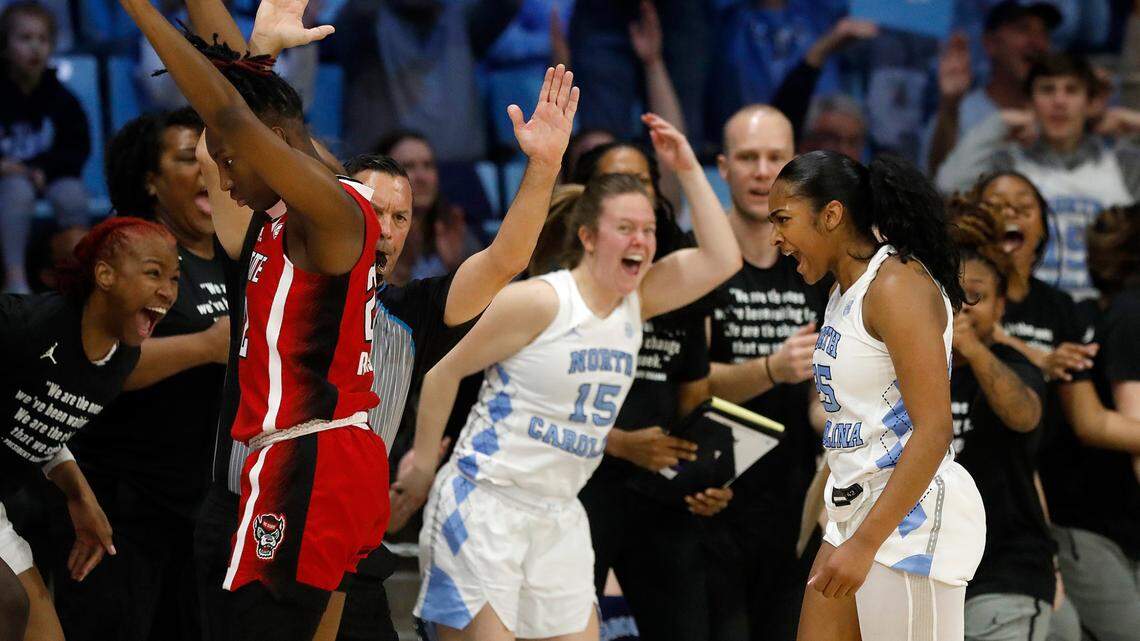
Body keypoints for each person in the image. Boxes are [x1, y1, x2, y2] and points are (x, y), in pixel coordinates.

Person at [402, 114, 741, 640]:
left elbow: (722, 259)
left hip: (559, 515)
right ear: (587, 236)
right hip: (487, 504)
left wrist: (690, 167)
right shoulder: (541, 300)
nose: (642, 240)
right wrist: (424, 463)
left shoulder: (638, 301)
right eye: (626, 228)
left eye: (649, 229)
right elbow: (445, 368)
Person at [118, 0, 389, 637]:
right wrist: (259, 52)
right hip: (324, 459)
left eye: (229, 163)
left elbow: (235, 116)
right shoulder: (281, 217)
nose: (222, 182)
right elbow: (243, 104)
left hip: (309, 459)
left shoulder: (334, 213)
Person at [769, 151, 985, 640]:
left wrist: (866, 543)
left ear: (831, 215)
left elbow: (934, 431)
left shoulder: (896, 286)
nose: (776, 237)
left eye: (783, 220)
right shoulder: (842, 291)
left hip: (908, 520)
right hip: (853, 512)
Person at [45, 108, 230, 641]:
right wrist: (205, 346)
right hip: (119, 506)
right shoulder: (124, 252)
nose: (206, 169)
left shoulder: (235, 255)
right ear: (149, 180)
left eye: (212, 157)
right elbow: (92, 363)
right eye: (186, 158)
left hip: (201, 506)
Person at [554, 140, 732, 641]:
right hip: (578, 486)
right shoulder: (554, 292)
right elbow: (523, 401)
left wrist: (705, 473)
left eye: (644, 185)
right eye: (618, 185)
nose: (634, 197)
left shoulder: (670, 284)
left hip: (659, 490)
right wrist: (616, 441)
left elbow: (694, 399)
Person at [1, 217, 180, 641]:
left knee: (41, 627)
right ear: (104, 274)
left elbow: (43, 423)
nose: (168, 291)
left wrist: (80, 496)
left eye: (174, 278)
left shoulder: (118, 361)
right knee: (8, 603)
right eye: (154, 273)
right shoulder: (22, 325)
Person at [704, 104, 828, 641]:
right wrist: (772, 369)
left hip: (794, 501)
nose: (761, 171)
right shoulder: (695, 262)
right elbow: (683, 386)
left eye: (775, 158)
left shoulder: (817, 267)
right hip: (710, 501)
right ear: (723, 166)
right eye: (747, 157)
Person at [937, 52, 1140, 303]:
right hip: (1029, 310)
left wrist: (1135, 122)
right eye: (1047, 90)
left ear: (1090, 103)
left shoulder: (1122, 164)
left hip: (1103, 311)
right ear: (1030, 102)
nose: (1059, 101)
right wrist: (999, 122)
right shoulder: (1009, 164)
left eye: (1071, 90)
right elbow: (948, 183)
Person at [945, 198, 1055, 641]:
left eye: (977, 297)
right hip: (928, 568)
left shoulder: (1015, 365)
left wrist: (970, 348)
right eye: (954, 296)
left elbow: (1025, 416)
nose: (964, 307)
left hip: (1005, 571)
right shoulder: (909, 365)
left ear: (1001, 306)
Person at [0, 0, 90, 293]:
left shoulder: (62, 98)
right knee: (17, 191)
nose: (35, 47)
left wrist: (43, 169)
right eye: (25, 39)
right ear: (4, 46)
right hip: (8, 180)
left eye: (42, 39)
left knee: (73, 194)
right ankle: (14, 278)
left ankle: (77, 274)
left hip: (49, 175)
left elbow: (77, 148)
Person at [925, 1, 1060, 175]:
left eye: (1044, 33)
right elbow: (937, 180)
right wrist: (950, 106)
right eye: (1023, 29)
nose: (1037, 42)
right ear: (991, 44)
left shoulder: (1058, 111)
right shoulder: (961, 113)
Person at [373, 131, 484, 284]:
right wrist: (398, 268)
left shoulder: (452, 228)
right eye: (408, 166)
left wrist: (456, 267)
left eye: (428, 165)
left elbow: (491, 296)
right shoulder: (368, 234)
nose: (422, 177)